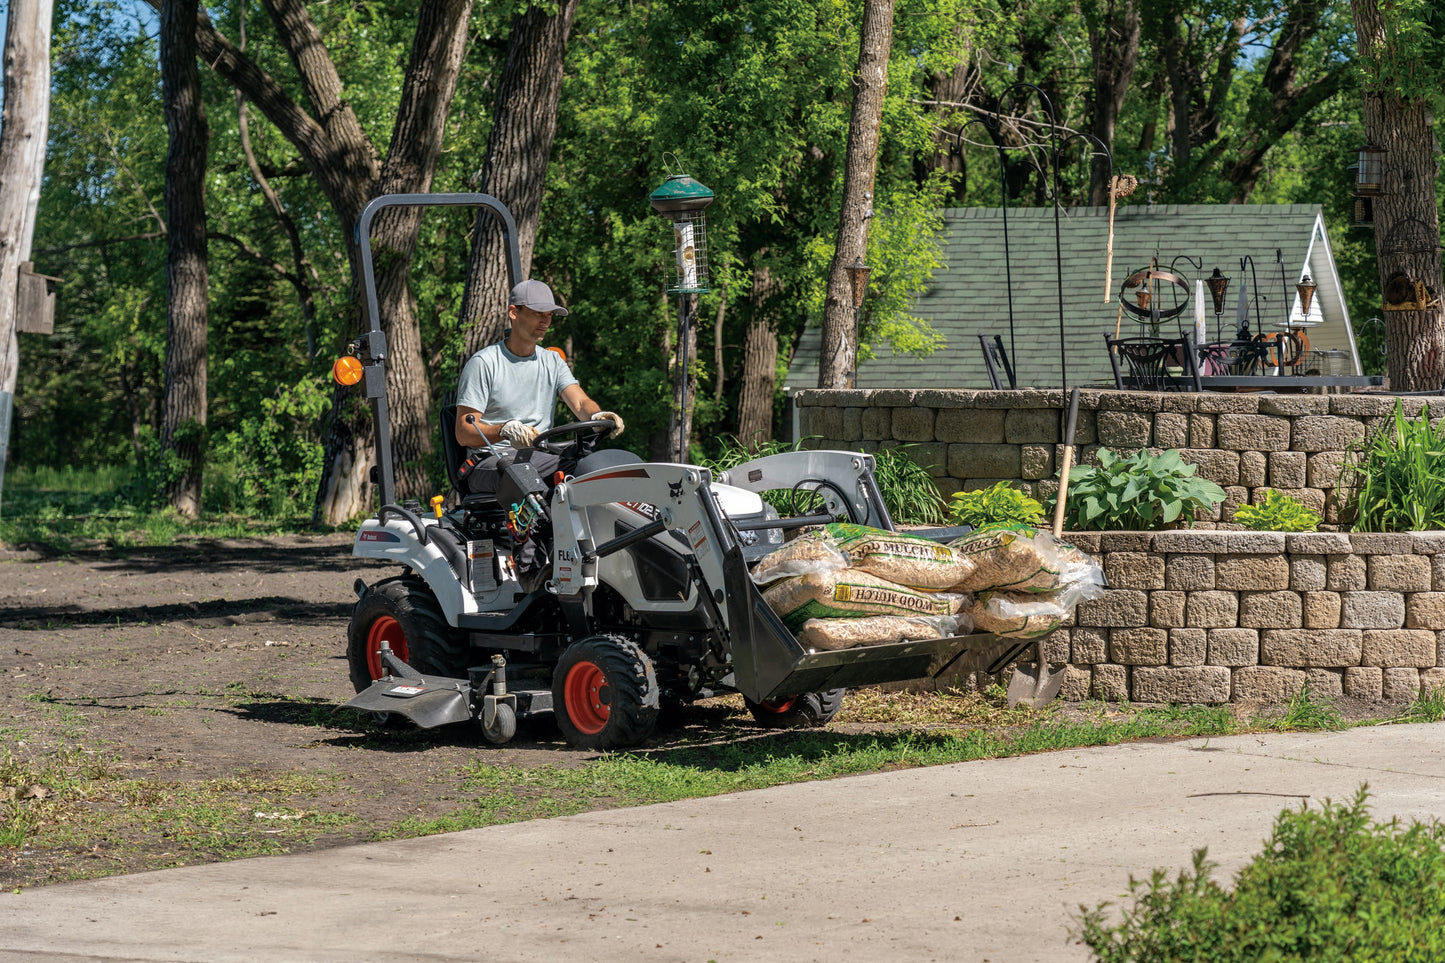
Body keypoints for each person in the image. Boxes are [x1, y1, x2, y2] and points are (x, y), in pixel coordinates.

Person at [454, 280, 624, 587]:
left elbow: (581, 402)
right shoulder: (484, 363)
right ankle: (532, 574)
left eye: (550, 314)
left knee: (588, 469)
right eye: (537, 313)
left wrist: (598, 415)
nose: (545, 321)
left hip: (538, 456)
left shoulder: (551, 361)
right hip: (488, 461)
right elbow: (464, 432)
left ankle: (605, 558)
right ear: (513, 313)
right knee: (522, 474)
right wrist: (503, 429)